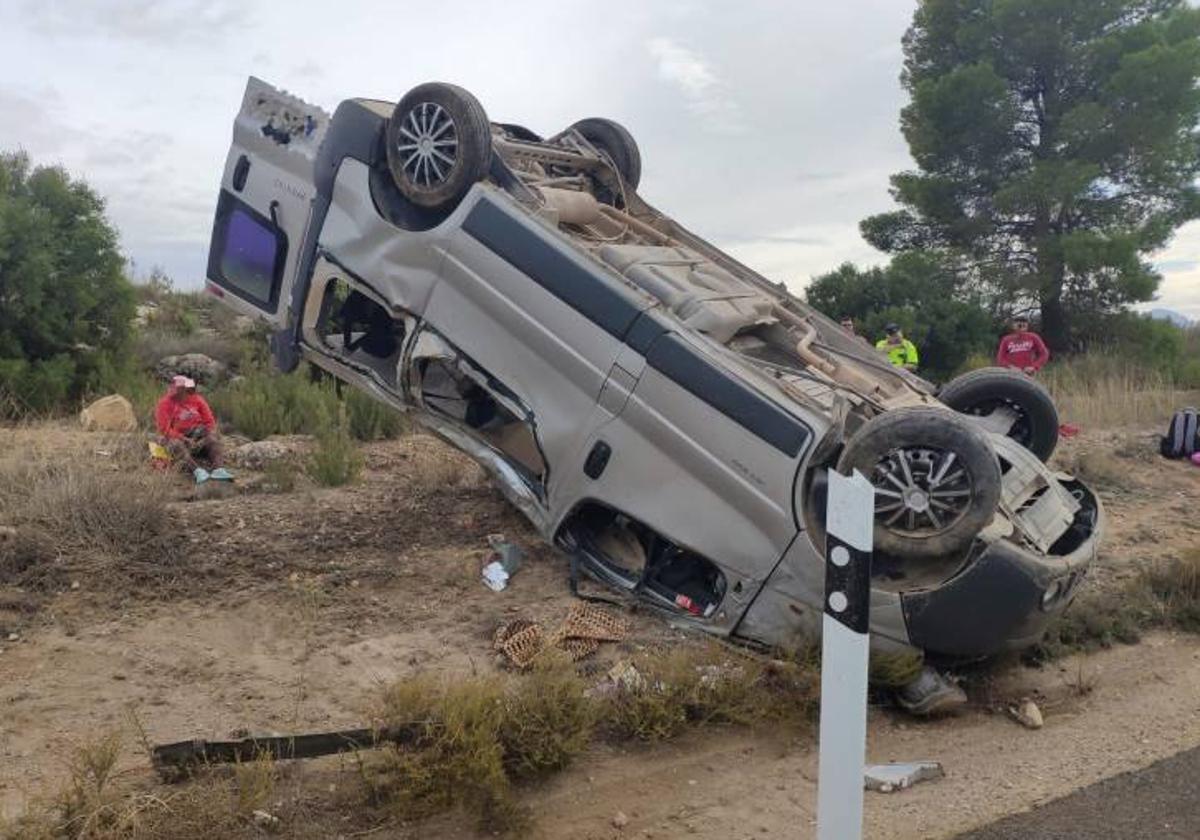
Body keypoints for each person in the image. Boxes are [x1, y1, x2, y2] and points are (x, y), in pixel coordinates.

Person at [155, 375, 224, 478]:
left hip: (197, 437)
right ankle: (197, 471)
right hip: (179, 439)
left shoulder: (197, 400)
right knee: (175, 444)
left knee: (212, 438)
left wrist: (206, 436)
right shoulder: (164, 404)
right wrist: (184, 439)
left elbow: (209, 422)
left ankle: (219, 469)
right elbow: (165, 429)